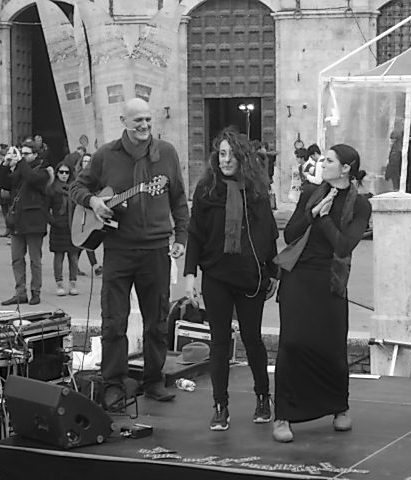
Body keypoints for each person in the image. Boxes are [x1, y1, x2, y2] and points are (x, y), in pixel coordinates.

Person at [69, 97, 189, 406]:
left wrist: (181, 236)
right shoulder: (106, 155)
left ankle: (154, 381)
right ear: (124, 121)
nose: (145, 125)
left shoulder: (167, 153)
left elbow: (178, 198)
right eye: (138, 120)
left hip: (156, 249)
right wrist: (93, 202)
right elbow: (76, 187)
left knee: (157, 320)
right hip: (118, 249)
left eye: (148, 119)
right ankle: (113, 382)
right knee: (114, 320)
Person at [272, 144, 372, 443]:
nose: (322, 164)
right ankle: (284, 414)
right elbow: (290, 234)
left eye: (329, 161)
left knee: (332, 344)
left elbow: (344, 246)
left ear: (346, 168)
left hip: (330, 279)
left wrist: (325, 219)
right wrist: (313, 213)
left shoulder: (360, 204)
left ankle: (339, 406)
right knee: (292, 343)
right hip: (299, 275)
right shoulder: (310, 193)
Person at [183, 127, 278, 431]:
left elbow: (269, 234)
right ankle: (220, 405)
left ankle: (263, 397)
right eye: (221, 154)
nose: (225, 160)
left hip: (249, 276)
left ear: (243, 158)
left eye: (231, 154)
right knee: (219, 341)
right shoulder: (206, 190)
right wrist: (190, 275)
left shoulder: (257, 192)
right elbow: (195, 234)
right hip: (216, 275)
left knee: (252, 339)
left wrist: (273, 272)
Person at [0, 141, 51, 306]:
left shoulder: (43, 171)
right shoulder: (20, 170)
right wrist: (5, 164)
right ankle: (20, 293)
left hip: (34, 222)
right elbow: (2, 183)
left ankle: (36, 291)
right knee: (17, 259)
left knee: (35, 260)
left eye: (27, 154)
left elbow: (32, 179)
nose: (23, 156)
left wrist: (20, 161)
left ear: (35, 155)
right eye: (22, 153)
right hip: (17, 221)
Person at [46, 163, 80, 296]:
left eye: (66, 172)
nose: (64, 175)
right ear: (57, 173)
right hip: (58, 227)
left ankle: (73, 283)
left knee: (74, 257)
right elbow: (45, 208)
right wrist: (53, 222)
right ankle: (59, 284)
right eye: (61, 172)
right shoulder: (52, 189)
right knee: (58, 256)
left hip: (73, 226)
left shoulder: (75, 188)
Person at [75, 153, 102, 276]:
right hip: (80, 211)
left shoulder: (95, 177)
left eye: (89, 161)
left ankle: (92, 265)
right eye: (85, 161)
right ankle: (93, 265)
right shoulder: (78, 178)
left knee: (86, 239)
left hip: (92, 210)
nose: (87, 163)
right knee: (81, 241)